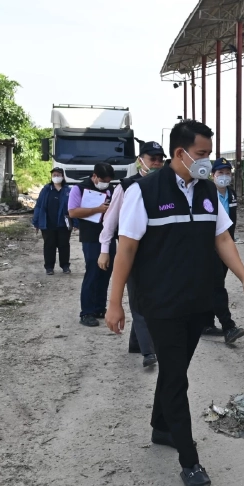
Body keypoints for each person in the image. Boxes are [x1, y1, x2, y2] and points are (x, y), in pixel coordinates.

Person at [105, 120, 244, 486]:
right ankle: (189, 461)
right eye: (202, 154)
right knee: (177, 376)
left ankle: (162, 427)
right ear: (181, 154)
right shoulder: (144, 192)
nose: (207, 161)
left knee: (175, 369)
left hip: (197, 300)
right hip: (160, 303)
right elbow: (125, 249)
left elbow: (221, 237)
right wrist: (114, 303)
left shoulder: (207, 190)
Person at [98, 141, 166, 368]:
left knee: (152, 298)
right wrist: (104, 250)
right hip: (132, 253)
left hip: (159, 254)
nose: (156, 163)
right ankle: (149, 352)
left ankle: (137, 342)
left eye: (159, 159)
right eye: (151, 158)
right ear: (140, 160)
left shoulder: (165, 186)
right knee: (139, 300)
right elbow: (110, 221)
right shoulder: (126, 187)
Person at [200, 157, 244, 344]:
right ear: (213, 175)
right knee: (217, 286)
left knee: (213, 286)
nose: (224, 177)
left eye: (228, 173)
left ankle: (206, 323)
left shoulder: (231, 195)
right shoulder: (206, 194)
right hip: (209, 248)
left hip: (226, 247)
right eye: (220, 173)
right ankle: (228, 326)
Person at [67, 163, 115, 327]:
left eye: (108, 181)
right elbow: (73, 212)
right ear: (94, 176)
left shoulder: (111, 189)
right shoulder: (79, 189)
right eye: (103, 180)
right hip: (91, 237)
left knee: (106, 273)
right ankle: (86, 312)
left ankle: (99, 308)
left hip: (109, 236)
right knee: (93, 272)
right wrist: (98, 209)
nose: (105, 183)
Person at [32, 166, 72, 275]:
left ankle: (65, 266)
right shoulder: (46, 190)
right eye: (54, 175)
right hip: (48, 223)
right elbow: (39, 206)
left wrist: (76, 223)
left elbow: (73, 207)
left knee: (64, 245)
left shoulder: (68, 190)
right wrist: (36, 222)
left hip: (63, 224)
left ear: (63, 177)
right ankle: (49, 267)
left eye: (58, 175)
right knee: (49, 245)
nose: (56, 177)